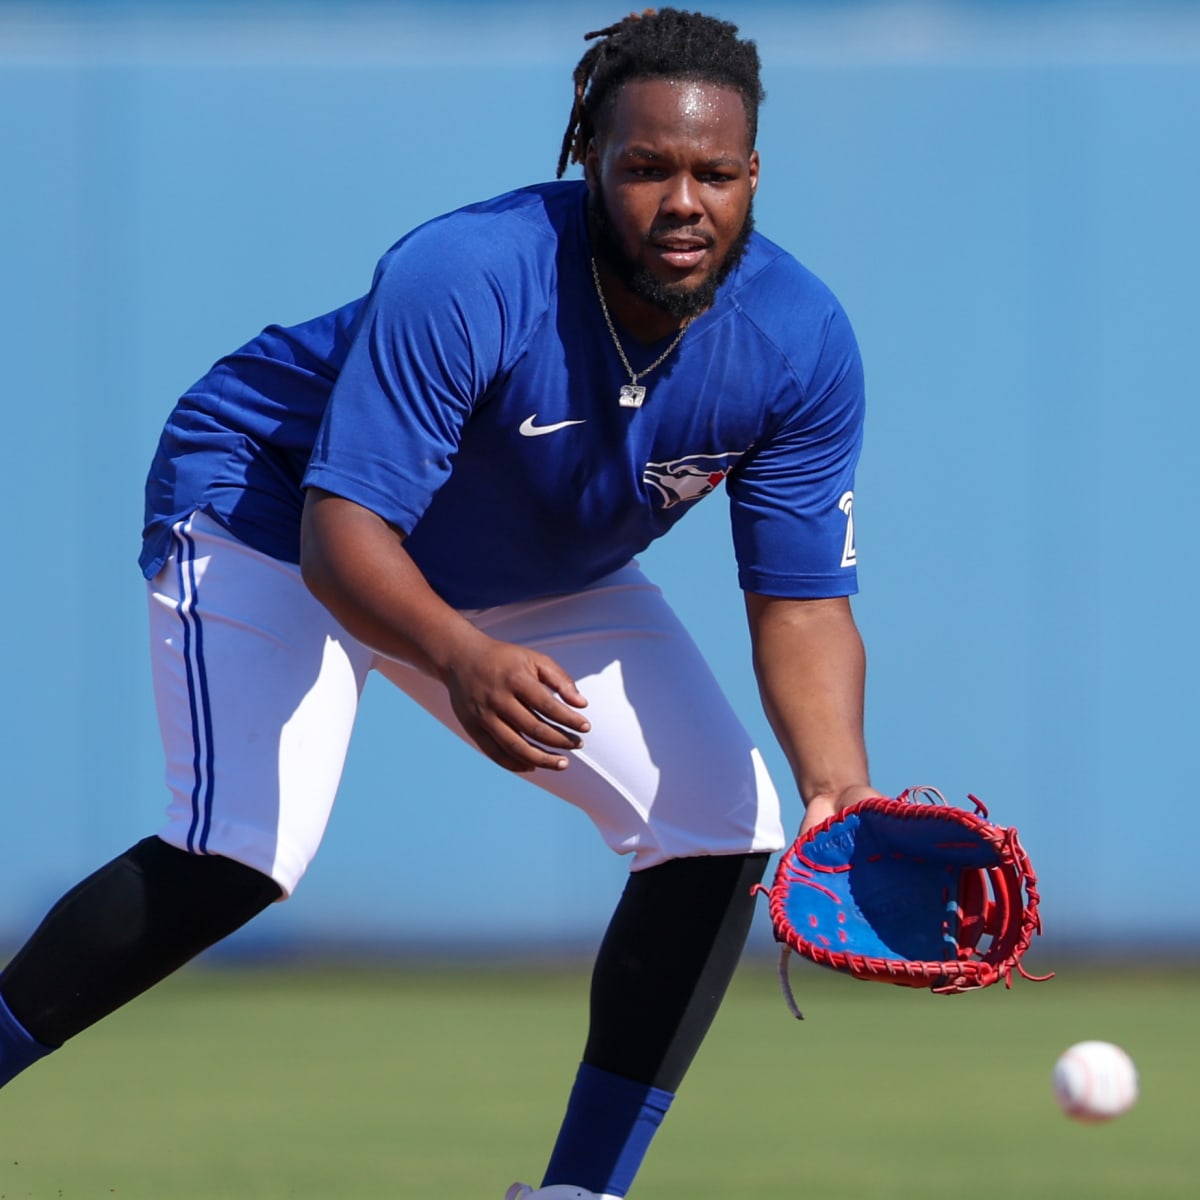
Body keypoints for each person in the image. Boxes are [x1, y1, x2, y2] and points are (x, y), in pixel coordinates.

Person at [0, 8, 880, 1198]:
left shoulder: (797, 338)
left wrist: (842, 784)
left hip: (521, 564)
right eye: (647, 167)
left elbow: (802, 602)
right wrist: (460, 657)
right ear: (589, 161)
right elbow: (342, 533)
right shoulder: (473, 272)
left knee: (724, 823)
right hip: (277, 511)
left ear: (754, 175)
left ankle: (579, 1192)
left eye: (714, 172)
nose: (684, 201)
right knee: (243, 847)